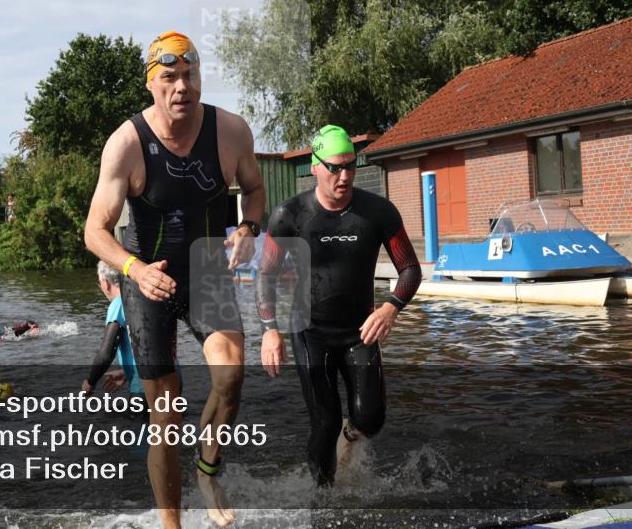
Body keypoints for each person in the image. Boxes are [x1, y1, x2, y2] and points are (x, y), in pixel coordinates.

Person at [84, 30, 265, 529]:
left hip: (207, 271)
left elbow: (253, 189)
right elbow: (94, 232)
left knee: (230, 376)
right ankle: (172, 524)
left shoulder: (230, 132)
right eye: (169, 77)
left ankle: (208, 470)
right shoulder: (126, 143)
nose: (181, 86)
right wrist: (134, 270)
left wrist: (249, 227)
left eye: (190, 75)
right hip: (147, 280)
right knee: (165, 413)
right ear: (151, 85)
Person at [256, 125, 422, 486]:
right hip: (309, 332)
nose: (343, 175)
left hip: (359, 331)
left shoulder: (377, 212)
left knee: (371, 419)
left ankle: (349, 438)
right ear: (314, 167)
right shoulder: (290, 215)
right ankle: (324, 497)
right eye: (334, 167)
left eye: (350, 166)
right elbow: (265, 275)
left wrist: (391, 307)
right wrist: (269, 331)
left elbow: (410, 268)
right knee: (325, 421)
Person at [82, 261, 145, 399]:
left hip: (144, 386)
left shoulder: (118, 303)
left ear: (105, 283)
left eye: (99, 284)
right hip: (172, 379)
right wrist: (126, 372)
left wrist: (90, 382)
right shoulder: (141, 297)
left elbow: (106, 354)